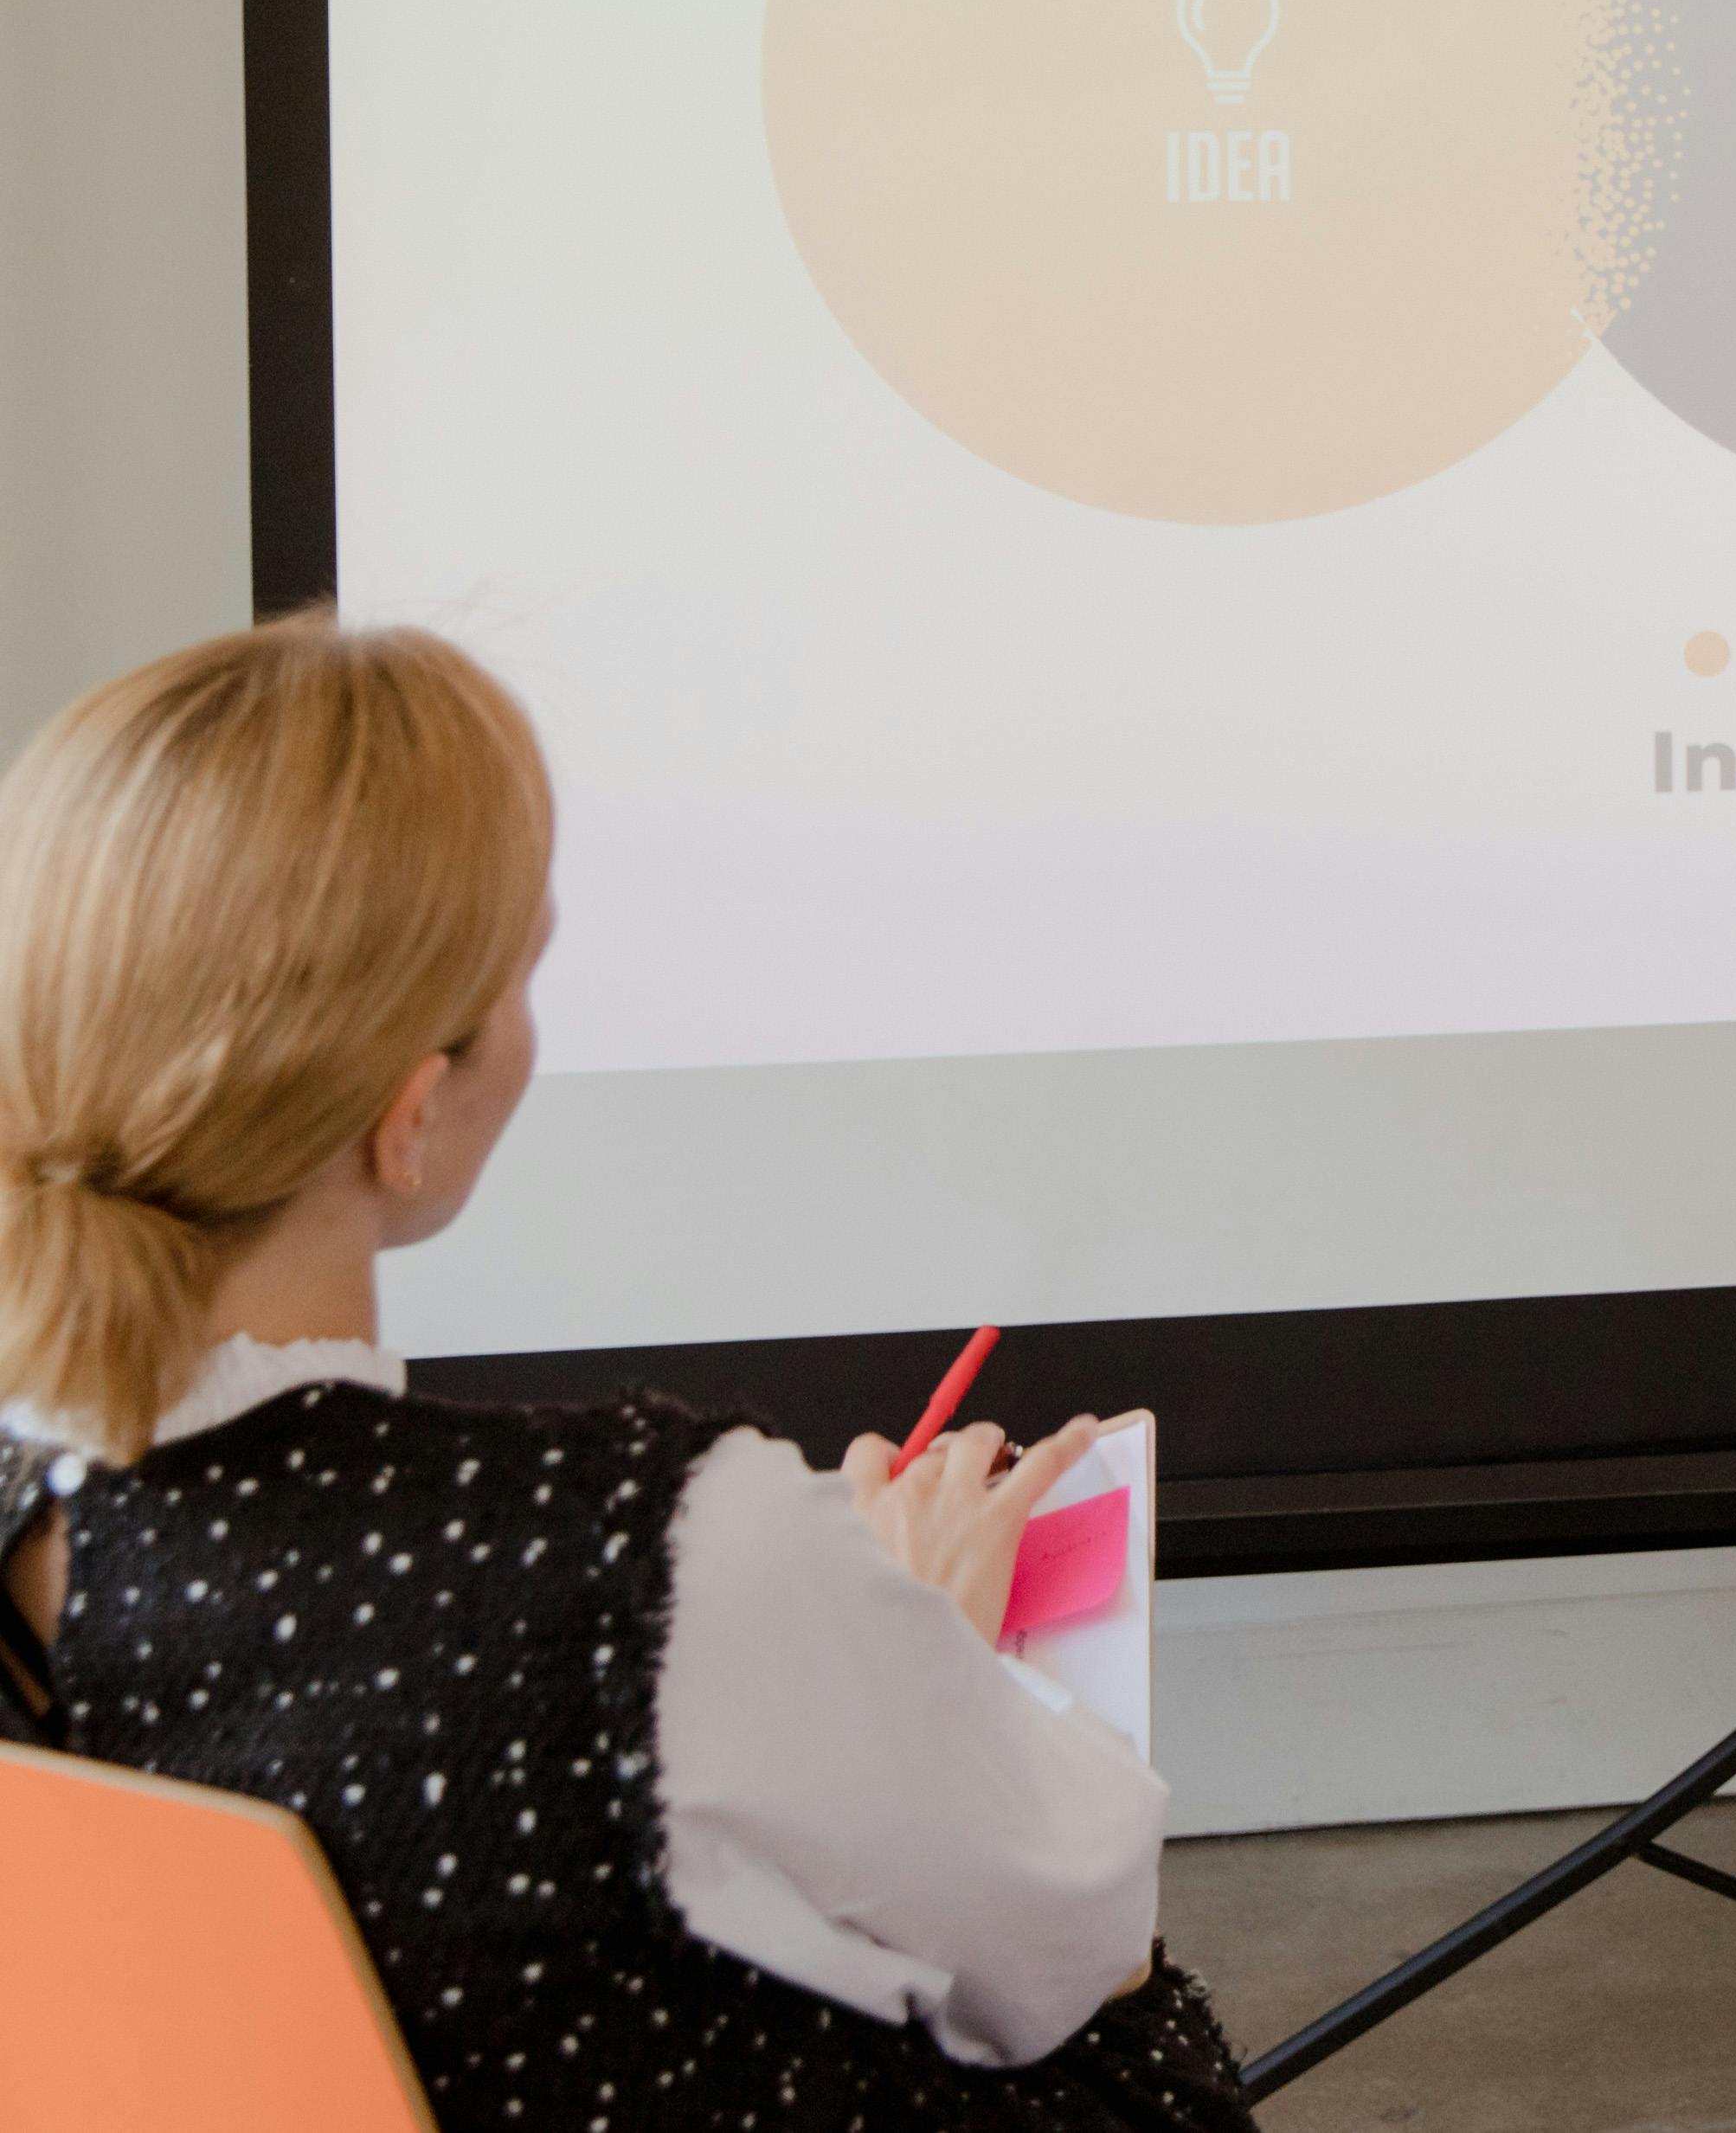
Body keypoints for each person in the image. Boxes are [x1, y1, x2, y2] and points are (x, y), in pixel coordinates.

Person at [0, 615, 1255, 2130]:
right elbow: (1073, 1931)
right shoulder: (635, 1547)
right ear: (409, 1117)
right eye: (521, 972)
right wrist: (933, 1650)